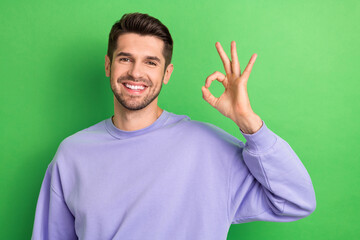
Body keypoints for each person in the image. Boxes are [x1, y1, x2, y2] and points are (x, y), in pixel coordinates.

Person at [31, 12, 316, 240]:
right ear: (108, 66)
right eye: (125, 58)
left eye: (151, 62)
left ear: (167, 73)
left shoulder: (209, 148)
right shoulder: (72, 154)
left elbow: (297, 200)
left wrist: (248, 121)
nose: (135, 72)